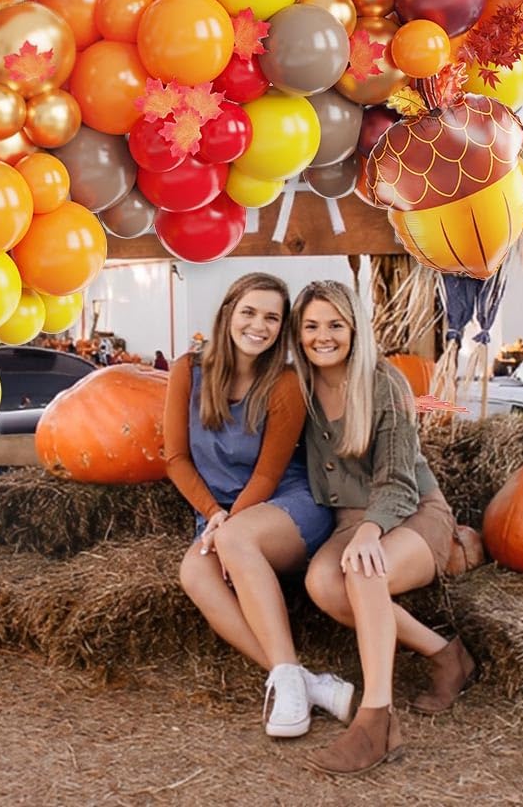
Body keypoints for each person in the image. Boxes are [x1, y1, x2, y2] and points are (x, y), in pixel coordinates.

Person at [288, 280, 476, 776]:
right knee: (322, 583)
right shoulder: (298, 387)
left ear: (354, 329)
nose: (322, 336)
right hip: (352, 520)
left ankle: (377, 721)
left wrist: (372, 531)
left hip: (411, 511)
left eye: (335, 325)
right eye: (311, 326)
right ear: (297, 332)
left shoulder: (382, 381)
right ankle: (447, 653)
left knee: (364, 572)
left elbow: (396, 479)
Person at [163, 272, 349, 739]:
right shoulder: (189, 370)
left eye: (272, 317)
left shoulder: (284, 383)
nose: (258, 326)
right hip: (218, 512)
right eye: (249, 312)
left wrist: (228, 525)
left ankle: (288, 689)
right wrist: (213, 516)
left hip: (283, 503)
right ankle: (297, 678)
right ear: (228, 313)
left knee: (235, 539)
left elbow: (267, 475)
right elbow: (176, 459)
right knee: (194, 573)